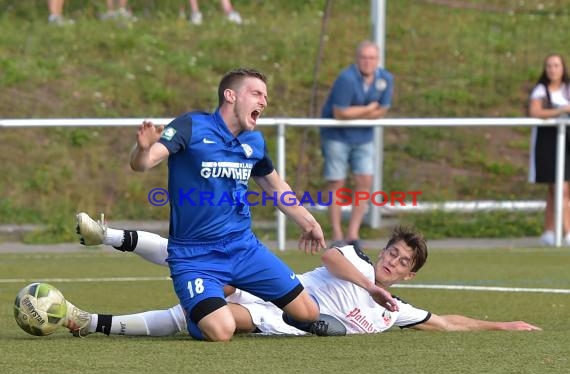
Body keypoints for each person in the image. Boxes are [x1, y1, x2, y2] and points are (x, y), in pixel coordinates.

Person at [127, 68, 397, 342]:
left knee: (307, 313)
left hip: (243, 248)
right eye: (256, 93)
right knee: (220, 332)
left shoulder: (253, 141)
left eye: (265, 97)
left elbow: (276, 187)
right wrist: (143, 149)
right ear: (230, 95)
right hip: (194, 256)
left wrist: (308, 222)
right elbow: (144, 163)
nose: (263, 102)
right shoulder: (191, 126)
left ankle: (252, 309)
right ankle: (199, 317)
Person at [65, 215, 540, 337]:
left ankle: (89, 322)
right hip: (276, 290)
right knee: (203, 265)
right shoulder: (356, 261)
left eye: (402, 263)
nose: (392, 262)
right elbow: (333, 258)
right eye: (392, 253)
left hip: (274, 322)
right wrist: (369, 282)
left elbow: (445, 321)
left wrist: (503, 325)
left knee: (214, 320)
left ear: (409, 276)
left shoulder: (397, 311)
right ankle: (108, 234)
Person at [320, 40, 394, 248]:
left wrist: (362, 112)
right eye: (364, 57)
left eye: (372, 58)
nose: (368, 62)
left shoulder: (385, 78)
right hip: (337, 136)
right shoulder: (346, 78)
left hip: (363, 137)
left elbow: (383, 110)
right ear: (357, 59)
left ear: (377, 60)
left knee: (364, 180)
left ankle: (353, 234)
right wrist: (369, 109)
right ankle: (337, 234)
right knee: (336, 183)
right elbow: (340, 112)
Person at [528, 53, 570, 246]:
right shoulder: (540, 90)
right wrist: (561, 111)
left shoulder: (568, 89)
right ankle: (568, 232)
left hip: (566, 142)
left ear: (563, 68)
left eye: (556, 65)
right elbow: (535, 112)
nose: (553, 69)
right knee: (558, 187)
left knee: (559, 190)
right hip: (547, 144)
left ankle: (549, 231)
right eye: (549, 66)